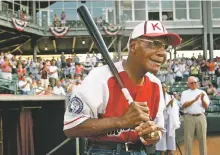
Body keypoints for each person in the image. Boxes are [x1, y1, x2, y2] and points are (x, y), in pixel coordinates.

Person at [63, 21, 182, 155]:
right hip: (103, 150)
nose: (162, 53)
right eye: (154, 44)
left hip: (140, 150)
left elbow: (157, 130)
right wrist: (121, 121)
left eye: (165, 47)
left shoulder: (155, 84)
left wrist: (151, 134)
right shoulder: (100, 76)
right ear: (133, 46)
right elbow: (71, 127)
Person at [180, 76, 210, 155]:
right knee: (188, 139)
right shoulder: (185, 93)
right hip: (189, 117)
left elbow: (206, 106)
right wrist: (194, 100)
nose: (193, 84)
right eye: (191, 83)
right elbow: (183, 105)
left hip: (201, 116)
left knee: (202, 139)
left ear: (197, 83)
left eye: (195, 82)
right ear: (188, 84)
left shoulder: (202, 92)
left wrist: (202, 99)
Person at [156, 83, 180, 155]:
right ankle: (162, 153)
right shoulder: (158, 97)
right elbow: (159, 108)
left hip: (170, 119)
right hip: (161, 119)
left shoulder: (170, 97)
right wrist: (169, 104)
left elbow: (175, 107)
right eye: (162, 87)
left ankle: (170, 152)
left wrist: (172, 104)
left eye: (165, 87)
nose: (164, 89)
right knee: (162, 136)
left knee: (170, 136)